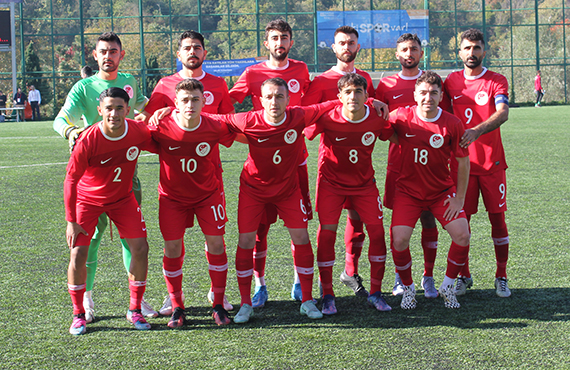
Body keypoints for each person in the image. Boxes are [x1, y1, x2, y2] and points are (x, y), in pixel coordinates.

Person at [53, 32, 157, 323]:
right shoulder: (84, 87)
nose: (108, 56)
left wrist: (157, 114)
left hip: (126, 174)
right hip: (92, 173)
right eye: (103, 52)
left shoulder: (130, 82)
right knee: (89, 242)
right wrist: (72, 132)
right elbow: (60, 120)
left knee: (133, 242)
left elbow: (143, 108)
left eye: (114, 51)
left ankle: (137, 301)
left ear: (121, 54)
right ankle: (85, 299)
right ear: (95, 56)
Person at [226, 78, 339, 323]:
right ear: (260, 100)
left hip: (288, 190)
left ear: (288, 99)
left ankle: (307, 300)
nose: (274, 101)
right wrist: (171, 112)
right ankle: (245, 304)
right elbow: (216, 120)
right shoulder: (248, 120)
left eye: (279, 96)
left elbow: (333, 103)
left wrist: (370, 100)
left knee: (301, 237)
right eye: (269, 96)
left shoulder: (299, 115)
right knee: (246, 240)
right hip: (253, 190)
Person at [138, 30, 235, 316]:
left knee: (214, 238)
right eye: (187, 48)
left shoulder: (217, 84)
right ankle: (173, 298)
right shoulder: (165, 84)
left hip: (209, 175)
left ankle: (217, 292)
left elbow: (228, 122)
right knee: (172, 242)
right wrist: (165, 113)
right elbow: (150, 123)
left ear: (205, 53)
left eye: (197, 47)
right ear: (178, 54)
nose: (192, 51)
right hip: (174, 177)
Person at [229, 19, 312, 308]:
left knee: (298, 224)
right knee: (259, 231)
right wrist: (249, 137)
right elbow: (228, 105)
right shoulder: (252, 73)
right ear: (266, 43)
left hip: (295, 160)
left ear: (291, 42)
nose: (279, 43)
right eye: (274, 38)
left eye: (284, 38)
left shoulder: (301, 70)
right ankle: (259, 285)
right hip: (263, 161)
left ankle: (300, 281)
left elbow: (312, 103)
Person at [65, 87, 154, 335]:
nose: (113, 113)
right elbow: (71, 181)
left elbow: (160, 142)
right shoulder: (88, 139)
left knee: (140, 248)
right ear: (99, 110)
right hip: (88, 201)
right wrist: (71, 221)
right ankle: (78, 314)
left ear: (128, 110)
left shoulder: (137, 131)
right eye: (108, 108)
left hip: (122, 199)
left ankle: (135, 309)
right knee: (78, 253)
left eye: (119, 108)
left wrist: (163, 115)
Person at [304, 73, 393, 314]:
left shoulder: (376, 118)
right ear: (339, 96)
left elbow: (391, 133)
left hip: (364, 185)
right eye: (347, 92)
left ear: (367, 96)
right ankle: (328, 293)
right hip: (331, 184)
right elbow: (306, 131)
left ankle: (375, 293)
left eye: (358, 92)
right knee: (327, 234)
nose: (353, 96)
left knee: (377, 232)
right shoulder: (327, 118)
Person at [301, 26, 376, 298]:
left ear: (358, 47)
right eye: (341, 43)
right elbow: (307, 125)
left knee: (358, 220)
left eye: (351, 43)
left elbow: (372, 112)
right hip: (331, 166)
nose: (347, 47)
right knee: (327, 226)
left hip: (360, 166)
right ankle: (323, 280)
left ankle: (350, 270)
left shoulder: (365, 78)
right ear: (333, 48)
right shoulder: (320, 82)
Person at [389, 71, 471, 310]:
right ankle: (408, 289)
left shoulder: (452, 123)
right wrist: (374, 104)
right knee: (400, 239)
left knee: (462, 235)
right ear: (415, 94)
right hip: (408, 192)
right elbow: (381, 126)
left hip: (440, 192)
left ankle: (447, 286)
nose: (428, 97)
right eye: (423, 92)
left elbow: (463, 162)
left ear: (440, 95)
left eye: (433, 93)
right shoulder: (401, 116)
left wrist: (459, 199)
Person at [443, 28, 511, 298]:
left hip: (492, 164)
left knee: (498, 220)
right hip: (462, 167)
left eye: (477, 48)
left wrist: (476, 131)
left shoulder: (496, 80)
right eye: (467, 48)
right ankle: (463, 275)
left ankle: (501, 275)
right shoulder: (451, 81)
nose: (472, 53)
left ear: (485, 50)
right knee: (463, 222)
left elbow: (503, 113)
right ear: (459, 52)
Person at [375, 33, 441, 299]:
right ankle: (401, 276)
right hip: (399, 163)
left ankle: (428, 276)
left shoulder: (433, 82)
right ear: (397, 54)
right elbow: (379, 118)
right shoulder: (387, 84)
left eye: (414, 49)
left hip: (432, 165)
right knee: (401, 222)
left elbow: (443, 119)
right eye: (404, 49)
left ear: (421, 53)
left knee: (428, 217)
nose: (409, 53)